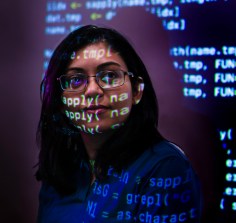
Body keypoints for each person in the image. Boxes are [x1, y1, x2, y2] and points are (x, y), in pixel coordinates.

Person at [35, 25, 202, 222]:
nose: (92, 91)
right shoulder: (62, 170)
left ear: (137, 91)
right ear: (59, 101)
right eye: (76, 80)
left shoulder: (165, 166)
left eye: (109, 76)